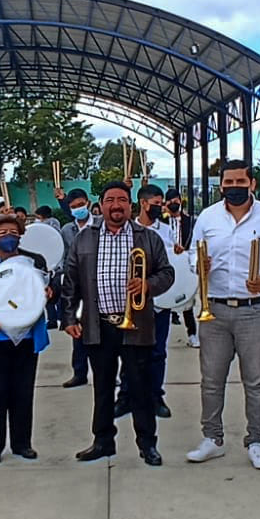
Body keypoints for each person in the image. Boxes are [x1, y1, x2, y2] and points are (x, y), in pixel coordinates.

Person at [186, 161, 260, 470]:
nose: (233, 186)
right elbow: (196, 253)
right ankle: (213, 439)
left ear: (251, 183)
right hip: (216, 308)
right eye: (228, 182)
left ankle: (257, 440)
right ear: (221, 186)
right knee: (211, 380)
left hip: (256, 308)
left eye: (239, 181)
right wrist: (198, 264)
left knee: (256, 380)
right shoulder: (208, 217)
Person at [61, 182, 173, 466]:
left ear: (130, 206)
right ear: (101, 205)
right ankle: (102, 442)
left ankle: (147, 444)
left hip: (136, 325)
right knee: (102, 387)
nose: (116, 205)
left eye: (122, 200)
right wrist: (68, 317)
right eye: (110, 200)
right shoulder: (84, 238)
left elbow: (167, 272)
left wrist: (147, 284)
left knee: (140, 388)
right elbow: (71, 280)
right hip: (99, 325)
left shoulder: (147, 238)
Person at [0, 213, 53, 462]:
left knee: (22, 393)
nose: (8, 237)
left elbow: (51, 290)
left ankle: (22, 444)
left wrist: (51, 291)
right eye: (3, 233)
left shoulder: (34, 262)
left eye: (13, 233)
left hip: (26, 340)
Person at [116, 184, 174, 419]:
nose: (160, 208)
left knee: (158, 352)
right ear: (143, 203)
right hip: (130, 302)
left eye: (162, 204)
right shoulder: (127, 229)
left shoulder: (167, 230)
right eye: (156, 204)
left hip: (159, 300)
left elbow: (169, 266)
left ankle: (155, 395)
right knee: (128, 352)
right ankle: (125, 396)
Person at [59, 188, 95, 387]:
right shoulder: (67, 230)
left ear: (87, 203)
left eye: (80, 205)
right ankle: (79, 372)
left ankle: (107, 373)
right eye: (73, 207)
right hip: (76, 284)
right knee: (77, 328)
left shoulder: (100, 224)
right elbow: (64, 257)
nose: (78, 210)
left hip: (99, 282)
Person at [163, 188, 199, 348]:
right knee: (163, 300)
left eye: (176, 200)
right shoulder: (161, 222)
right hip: (166, 263)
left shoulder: (190, 221)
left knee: (187, 300)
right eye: (170, 201)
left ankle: (192, 334)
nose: (173, 203)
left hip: (184, 263)